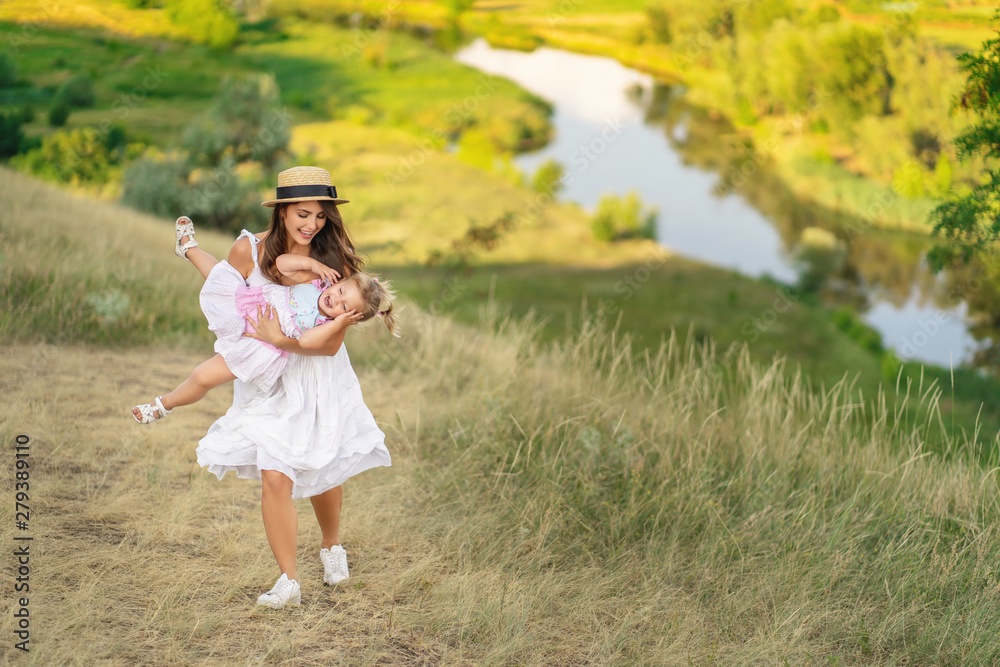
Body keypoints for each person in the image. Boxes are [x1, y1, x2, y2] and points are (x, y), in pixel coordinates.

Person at [170, 166, 392, 609]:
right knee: (276, 475)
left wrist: (280, 339)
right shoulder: (248, 247)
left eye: (320, 216)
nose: (312, 225)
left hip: (317, 373)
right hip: (269, 377)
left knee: (324, 465)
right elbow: (227, 287)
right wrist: (193, 252)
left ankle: (331, 546)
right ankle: (288, 580)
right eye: (303, 215)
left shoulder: (337, 261)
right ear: (283, 212)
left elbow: (329, 349)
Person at [131, 234, 398, 422]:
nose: (335, 299)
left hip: (258, 343)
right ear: (337, 282)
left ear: (349, 318)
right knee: (221, 277)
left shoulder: (325, 325)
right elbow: (281, 263)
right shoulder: (315, 282)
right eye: (340, 290)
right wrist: (313, 264)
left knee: (203, 376)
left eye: (344, 307)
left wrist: (337, 323)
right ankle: (189, 249)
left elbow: (306, 343)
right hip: (253, 305)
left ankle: (164, 405)